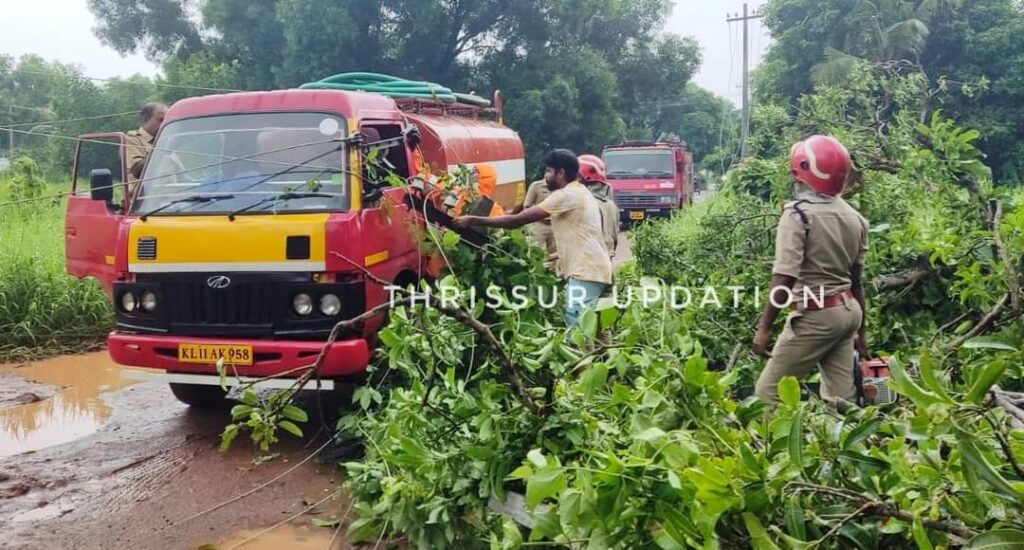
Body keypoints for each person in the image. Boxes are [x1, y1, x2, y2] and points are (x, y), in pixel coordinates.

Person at [752, 135, 869, 407]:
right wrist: (862, 332)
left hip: (818, 315)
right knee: (842, 401)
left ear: (801, 172)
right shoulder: (855, 218)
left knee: (769, 393)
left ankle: (778, 448)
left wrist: (764, 328)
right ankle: (857, 445)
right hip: (849, 313)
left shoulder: (799, 216)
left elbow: (785, 276)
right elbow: (856, 281)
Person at [453, 149, 613, 326]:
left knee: (578, 327)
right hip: (597, 269)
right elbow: (583, 234)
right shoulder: (581, 192)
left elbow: (515, 221)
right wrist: (554, 255)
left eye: (549, 171)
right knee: (596, 330)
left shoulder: (566, 195)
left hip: (585, 272)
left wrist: (471, 219)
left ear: (561, 173)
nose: (546, 176)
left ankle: (585, 354)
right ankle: (601, 355)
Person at [578, 154, 619, 260]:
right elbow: (615, 236)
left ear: (582, 178)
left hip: (590, 263)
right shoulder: (610, 204)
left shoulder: (586, 203)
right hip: (606, 259)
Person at [125, 102, 167, 198]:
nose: (164, 125)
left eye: (167, 121)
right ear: (146, 119)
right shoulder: (132, 139)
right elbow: (137, 170)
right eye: (161, 120)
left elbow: (182, 176)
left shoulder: (166, 140)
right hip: (143, 203)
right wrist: (162, 149)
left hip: (174, 200)